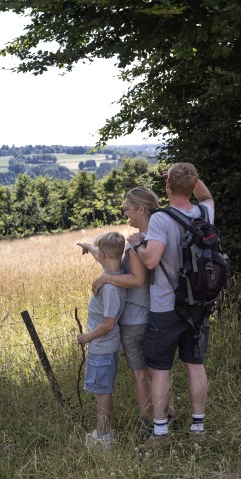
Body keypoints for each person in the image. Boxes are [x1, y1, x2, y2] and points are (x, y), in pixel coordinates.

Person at [130, 163, 214, 446]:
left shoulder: (162, 219)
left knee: (161, 368)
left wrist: (138, 243)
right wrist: (189, 177)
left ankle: (161, 432)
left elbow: (151, 261)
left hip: (166, 306)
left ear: (167, 186)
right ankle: (198, 429)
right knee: (194, 365)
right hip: (199, 305)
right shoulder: (205, 212)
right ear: (192, 184)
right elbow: (206, 197)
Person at [84, 187, 161, 429]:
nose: (126, 214)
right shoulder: (156, 236)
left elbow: (135, 279)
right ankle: (166, 416)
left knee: (141, 375)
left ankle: (150, 423)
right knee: (157, 372)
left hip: (135, 318)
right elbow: (114, 262)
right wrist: (91, 247)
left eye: (128, 209)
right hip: (155, 312)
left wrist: (105, 278)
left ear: (140, 209)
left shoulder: (136, 244)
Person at [76, 231, 127, 449]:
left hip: (102, 347)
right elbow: (103, 254)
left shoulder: (109, 288)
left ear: (105, 254)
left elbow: (108, 323)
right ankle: (102, 431)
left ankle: (103, 435)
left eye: (100, 253)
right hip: (105, 346)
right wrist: (88, 245)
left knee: (102, 391)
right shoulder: (116, 271)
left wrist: (87, 337)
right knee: (101, 389)